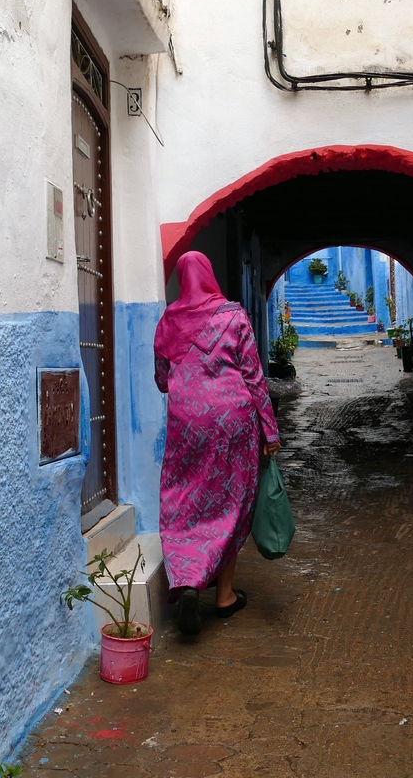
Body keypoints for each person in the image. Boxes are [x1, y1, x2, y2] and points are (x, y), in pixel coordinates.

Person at [153, 251, 282, 636]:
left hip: (186, 423)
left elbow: (162, 379)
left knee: (183, 500)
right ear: (208, 275)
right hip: (233, 421)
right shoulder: (233, 316)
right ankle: (224, 596)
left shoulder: (168, 320)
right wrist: (270, 431)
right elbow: (254, 377)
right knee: (229, 503)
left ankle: (188, 580)